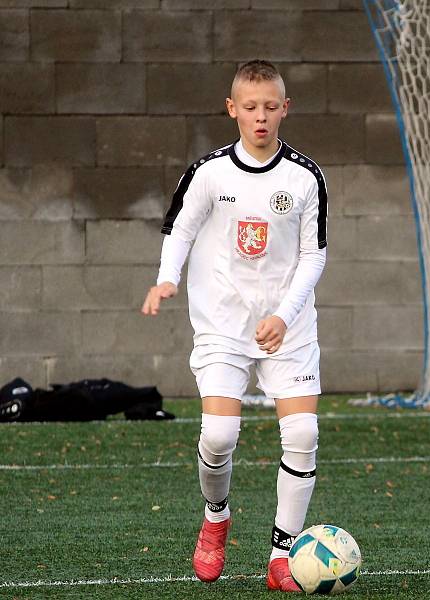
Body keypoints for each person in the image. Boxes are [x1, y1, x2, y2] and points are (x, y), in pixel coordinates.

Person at [141, 60, 328, 592]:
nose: (261, 116)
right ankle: (216, 516)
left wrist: (283, 315)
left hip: (288, 326)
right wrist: (165, 279)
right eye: (250, 107)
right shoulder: (209, 172)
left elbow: (314, 257)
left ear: (285, 108)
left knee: (303, 432)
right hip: (222, 324)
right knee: (219, 435)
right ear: (233, 110)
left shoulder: (305, 176)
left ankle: (281, 556)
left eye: (271, 106)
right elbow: (179, 228)